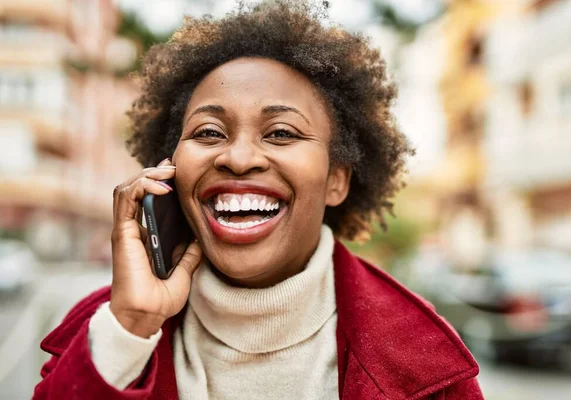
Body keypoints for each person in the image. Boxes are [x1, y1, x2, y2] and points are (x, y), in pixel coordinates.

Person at [33, 1, 483, 399]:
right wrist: (130, 327)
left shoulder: (427, 360)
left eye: (282, 133)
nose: (239, 157)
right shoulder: (108, 330)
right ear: (169, 170)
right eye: (208, 132)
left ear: (336, 181)